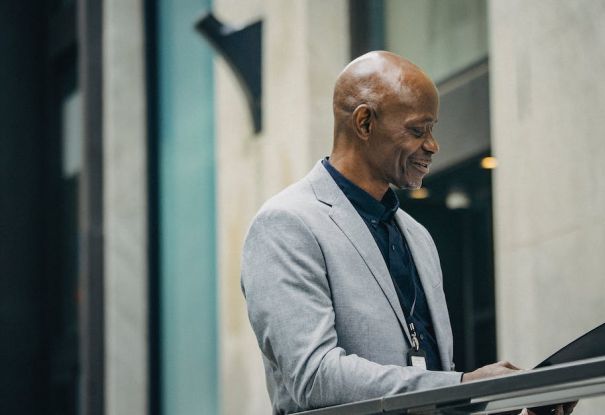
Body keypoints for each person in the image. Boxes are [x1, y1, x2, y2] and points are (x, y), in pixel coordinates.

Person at [241, 51, 575, 415]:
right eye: (418, 130)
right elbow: (315, 376)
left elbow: (430, 388)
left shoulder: (418, 237)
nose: (432, 145)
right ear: (365, 123)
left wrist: (511, 404)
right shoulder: (286, 224)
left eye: (432, 129)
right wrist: (463, 386)